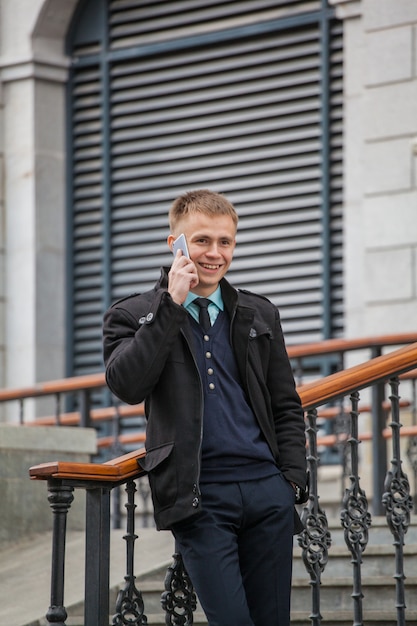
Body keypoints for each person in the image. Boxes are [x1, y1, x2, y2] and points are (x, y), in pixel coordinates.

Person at [103, 189, 308, 626]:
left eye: (225, 242)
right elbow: (127, 385)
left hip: (267, 492)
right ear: (174, 242)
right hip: (200, 497)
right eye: (201, 241)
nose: (215, 254)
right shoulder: (132, 314)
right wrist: (170, 306)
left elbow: (286, 405)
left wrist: (290, 482)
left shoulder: (260, 313)